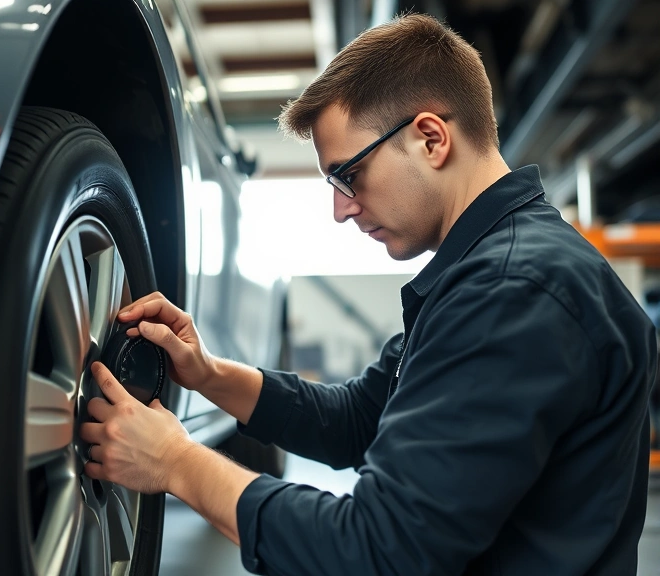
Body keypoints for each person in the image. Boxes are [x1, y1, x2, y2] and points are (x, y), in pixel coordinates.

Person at [79, 13, 658, 575]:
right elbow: (359, 419)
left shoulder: (514, 291)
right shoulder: (490, 272)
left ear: (430, 138)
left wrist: (176, 462)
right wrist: (207, 374)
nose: (339, 210)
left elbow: (379, 553)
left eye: (348, 175)